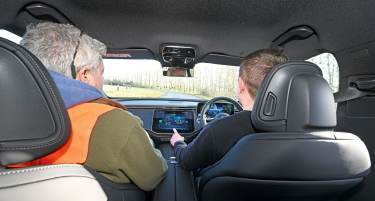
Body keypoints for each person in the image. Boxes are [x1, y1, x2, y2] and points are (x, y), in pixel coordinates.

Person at [16, 22, 167, 191]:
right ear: (85, 75)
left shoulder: (10, 118)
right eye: (101, 72)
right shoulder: (114, 123)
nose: (102, 79)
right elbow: (154, 176)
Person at [170, 49, 288, 170]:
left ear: (241, 85)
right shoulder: (301, 130)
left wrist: (178, 143)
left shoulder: (218, 130)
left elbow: (186, 161)